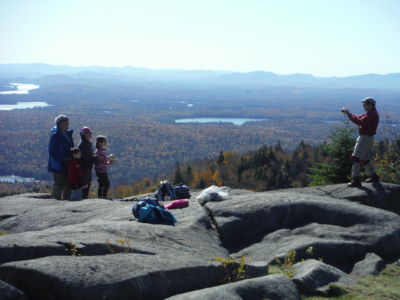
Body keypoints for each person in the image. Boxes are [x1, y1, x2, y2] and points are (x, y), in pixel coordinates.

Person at [341, 97, 380, 187]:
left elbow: (360, 121)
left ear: (370, 104)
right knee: (365, 158)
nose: (363, 106)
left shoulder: (372, 114)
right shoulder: (371, 113)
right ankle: (374, 176)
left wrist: (348, 114)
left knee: (355, 157)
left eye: (365, 104)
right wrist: (349, 113)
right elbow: (359, 117)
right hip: (367, 138)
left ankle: (356, 180)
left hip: (365, 138)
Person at [48, 114, 74, 200]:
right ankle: (55, 202)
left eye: (68, 122)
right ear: (60, 124)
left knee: (68, 183)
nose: (68, 124)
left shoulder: (67, 134)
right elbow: (52, 152)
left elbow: (70, 148)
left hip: (68, 163)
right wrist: (64, 159)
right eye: (66, 123)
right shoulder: (56, 135)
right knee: (58, 183)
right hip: (58, 165)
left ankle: (66, 202)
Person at [78, 126, 94, 199]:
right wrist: (94, 158)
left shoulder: (87, 143)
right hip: (84, 171)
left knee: (86, 188)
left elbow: (89, 157)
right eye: (89, 132)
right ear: (84, 134)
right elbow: (84, 159)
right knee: (84, 189)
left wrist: (94, 158)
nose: (90, 133)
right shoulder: (82, 145)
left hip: (87, 170)